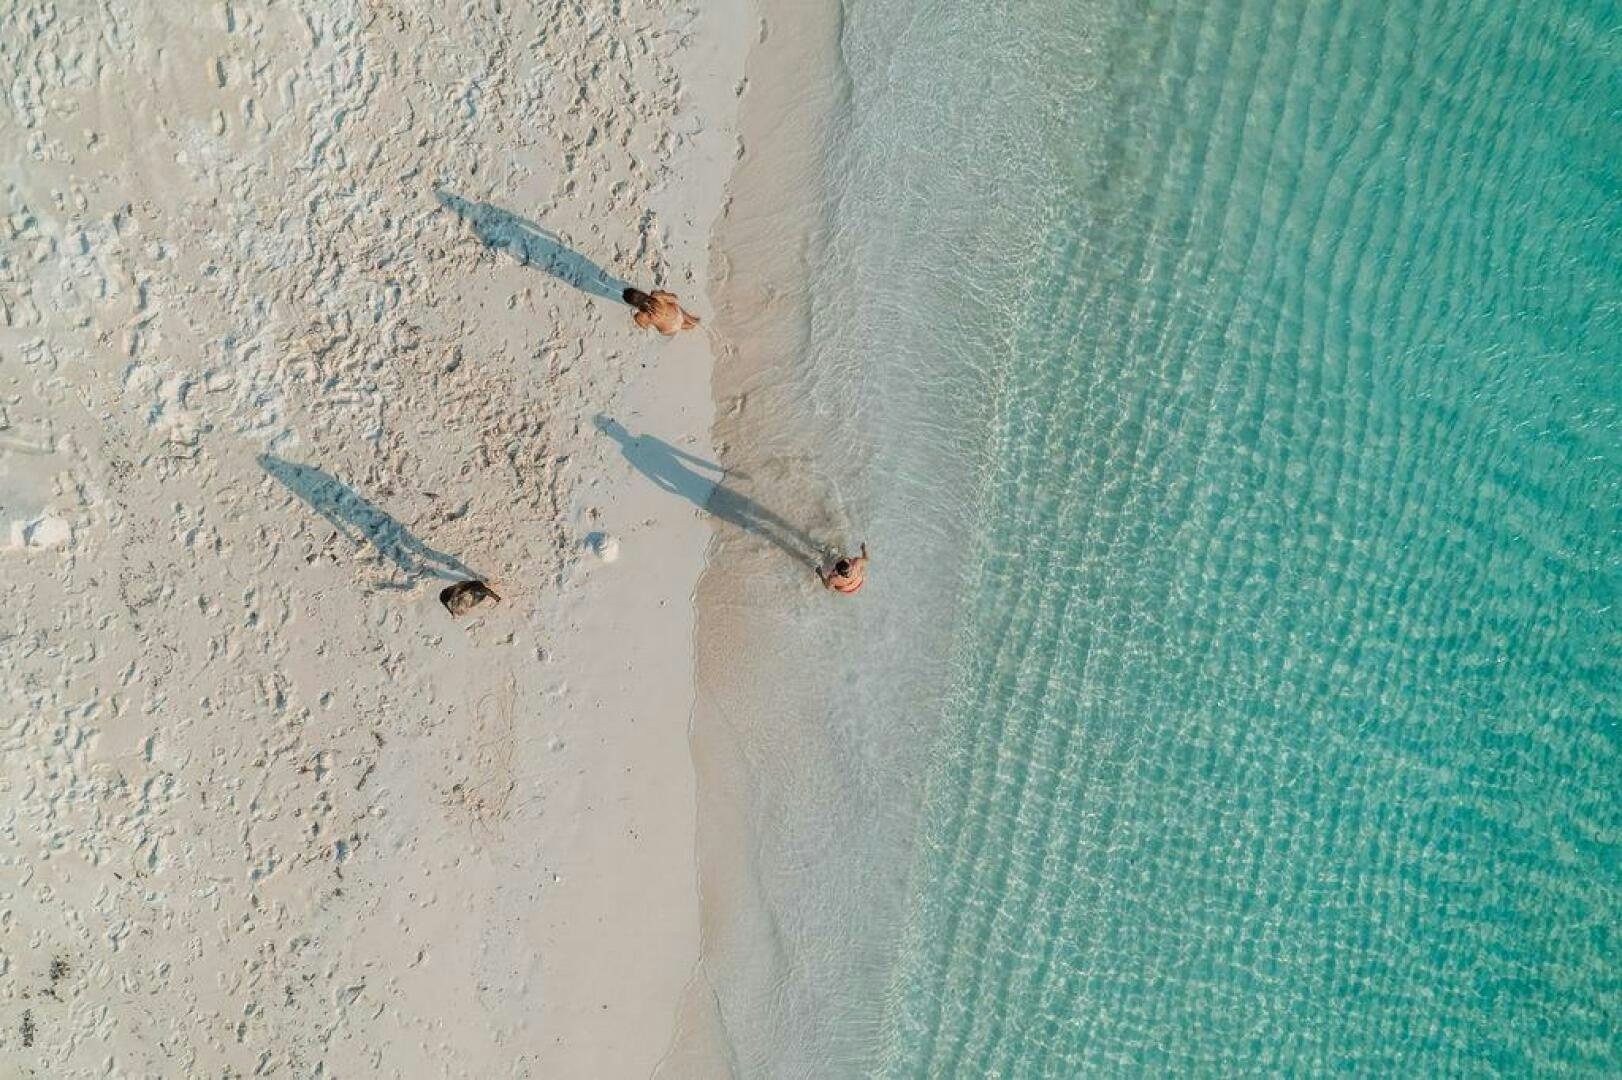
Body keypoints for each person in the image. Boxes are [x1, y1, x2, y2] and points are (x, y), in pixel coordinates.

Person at [623, 287, 700, 335]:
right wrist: (663, 293)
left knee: (676, 325)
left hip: (668, 330)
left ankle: (687, 326)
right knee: (675, 308)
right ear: (640, 292)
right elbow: (674, 298)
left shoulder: (639, 317)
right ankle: (693, 321)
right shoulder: (656, 295)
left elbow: (645, 326)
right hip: (676, 314)